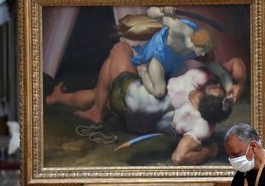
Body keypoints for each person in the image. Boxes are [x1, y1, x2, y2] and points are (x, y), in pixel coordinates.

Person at [46, 41, 235, 165]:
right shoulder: (203, 128)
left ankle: (96, 110)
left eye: (216, 88)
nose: (218, 85)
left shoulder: (194, 80)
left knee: (120, 49)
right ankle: (60, 98)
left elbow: (228, 66)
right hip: (128, 121)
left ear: (203, 96)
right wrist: (209, 152)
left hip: (130, 95)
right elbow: (178, 158)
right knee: (99, 92)